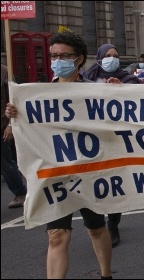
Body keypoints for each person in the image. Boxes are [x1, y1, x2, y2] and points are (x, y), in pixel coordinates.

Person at [6, 31, 113, 279]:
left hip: (88, 172)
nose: (57, 60)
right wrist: (15, 113)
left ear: (79, 59)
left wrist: (116, 93)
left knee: (96, 229)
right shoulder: (38, 94)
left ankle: (106, 274)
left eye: (64, 55)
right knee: (57, 235)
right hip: (55, 174)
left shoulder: (95, 91)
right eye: (54, 55)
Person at [83, 43, 140, 249]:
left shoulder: (128, 80)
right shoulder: (86, 79)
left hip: (117, 140)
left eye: (115, 55)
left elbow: (143, 100)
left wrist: (122, 91)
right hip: (92, 140)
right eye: (107, 55)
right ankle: (97, 221)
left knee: (114, 183)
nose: (112, 59)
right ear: (99, 57)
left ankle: (113, 223)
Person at [1, 64, 27, 208]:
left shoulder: (5, 72)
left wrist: (11, 124)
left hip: (2, 124)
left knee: (5, 163)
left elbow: (15, 99)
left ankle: (20, 192)